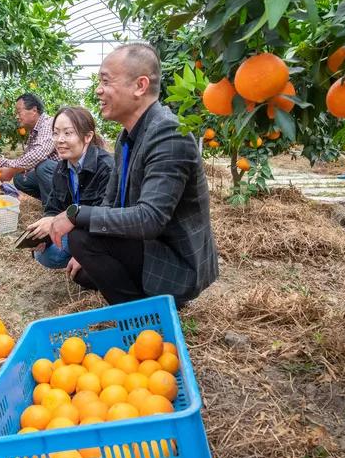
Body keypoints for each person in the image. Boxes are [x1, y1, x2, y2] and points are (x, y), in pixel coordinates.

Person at [48, 43, 219, 306]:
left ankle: (143, 314)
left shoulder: (168, 134)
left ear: (140, 86)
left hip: (176, 263)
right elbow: (111, 201)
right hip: (146, 247)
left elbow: (150, 218)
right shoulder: (127, 136)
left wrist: (75, 213)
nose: (98, 89)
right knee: (83, 269)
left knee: (82, 237)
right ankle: (144, 301)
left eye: (105, 80)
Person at [24, 107, 114, 269]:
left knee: (67, 254)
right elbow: (53, 206)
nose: (59, 140)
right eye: (56, 133)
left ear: (87, 137)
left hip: (101, 234)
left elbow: (106, 218)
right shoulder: (62, 168)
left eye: (67, 133)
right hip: (75, 229)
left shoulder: (105, 168)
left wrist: (85, 253)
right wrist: (46, 231)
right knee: (45, 255)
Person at [0, 93, 59, 202]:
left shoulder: (48, 124)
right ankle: (52, 201)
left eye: (19, 112)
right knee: (20, 179)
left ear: (33, 110)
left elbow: (38, 155)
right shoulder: (34, 132)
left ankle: (55, 208)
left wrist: (10, 170)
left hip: (72, 175)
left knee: (43, 166)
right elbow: (26, 161)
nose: (17, 116)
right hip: (58, 175)